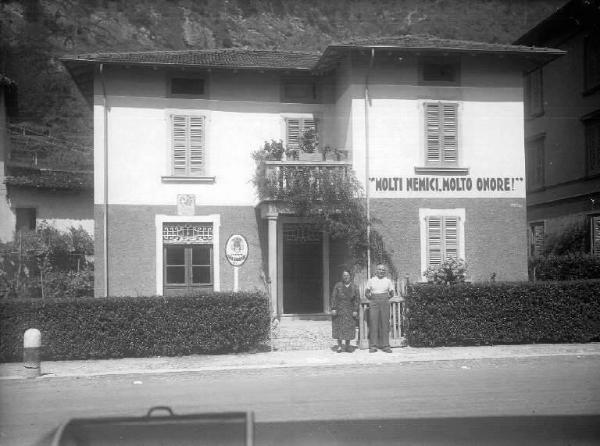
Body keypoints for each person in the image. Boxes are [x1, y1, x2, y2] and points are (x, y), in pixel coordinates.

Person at [365, 264, 395, 353]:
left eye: (383, 270)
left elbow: (392, 292)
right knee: (373, 323)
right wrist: (372, 299)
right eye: (379, 269)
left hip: (385, 301)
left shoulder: (388, 281)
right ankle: (373, 346)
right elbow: (366, 292)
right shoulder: (371, 280)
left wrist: (385, 298)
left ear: (385, 272)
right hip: (374, 301)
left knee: (385, 324)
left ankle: (385, 346)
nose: (381, 271)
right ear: (376, 271)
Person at [330, 270, 360, 353]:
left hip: (350, 310)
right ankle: (339, 346)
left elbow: (357, 299)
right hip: (339, 310)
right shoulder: (338, 285)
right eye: (344, 275)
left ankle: (347, 346)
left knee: (349, 328)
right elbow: (333, 297)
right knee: (339, 327)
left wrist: (355, 310)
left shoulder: (355, 286)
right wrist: (333, 308)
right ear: (342, 276)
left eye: (347, 275)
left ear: (350, 276)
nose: (346, 277)